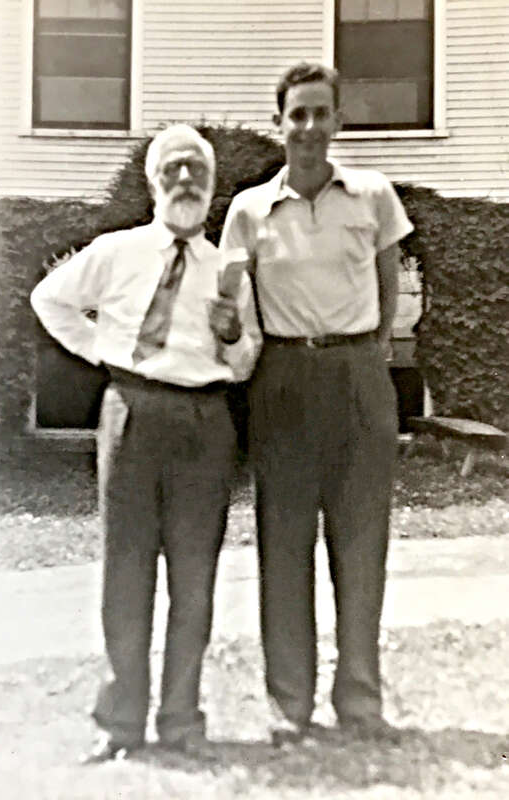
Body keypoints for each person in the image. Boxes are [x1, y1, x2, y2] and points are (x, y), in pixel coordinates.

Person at [30, 125, 262, 762]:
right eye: (174, 169)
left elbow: (245, 363)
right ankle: (121, 724)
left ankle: (182, 720)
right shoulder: (116, 251)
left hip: (205, 422)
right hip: (132, 411)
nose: (185, 180)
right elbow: (50, 300)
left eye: (197, 171)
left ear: (213, 188)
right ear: (153, 181)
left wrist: (234, 333)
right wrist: (102, 354)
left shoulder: (227, 269)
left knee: (194, 579)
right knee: (125, 574)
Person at [220, 62, 414, 746]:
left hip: (358, 372)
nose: (307, 128)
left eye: (319, 113)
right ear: (279, 124)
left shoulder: (372, 196)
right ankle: (288, 707)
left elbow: (390, 289)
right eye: (295, 115)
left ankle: (360, 702)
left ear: (338, 122)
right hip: (281, 380)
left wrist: (370, 354)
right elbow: (231, 304)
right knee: (284, 542)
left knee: (361, 543)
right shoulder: (248, 209)